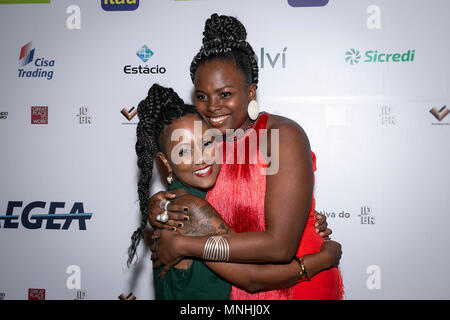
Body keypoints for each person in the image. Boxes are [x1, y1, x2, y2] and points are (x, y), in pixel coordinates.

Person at [148, 14, 344, 300]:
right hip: (240, 285)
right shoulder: (207, 143)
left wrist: (184, 246)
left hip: (295, 284)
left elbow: (279, 246)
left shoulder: (277, 136)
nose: (212, 107)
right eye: (202, 96)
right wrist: (157, 206)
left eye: (225, 93)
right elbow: (189, 196)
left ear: (251, 91)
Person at [128, 83, 341, 300]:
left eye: (207, 142)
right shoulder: (190, 209)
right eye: (184, 151)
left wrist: (302, 222)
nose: (201, 157)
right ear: (166, 161)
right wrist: (324, 259)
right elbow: (253, 279)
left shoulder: (195, 196)